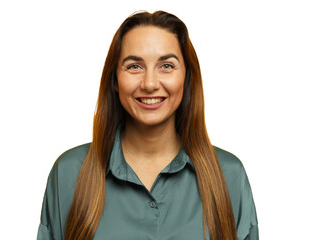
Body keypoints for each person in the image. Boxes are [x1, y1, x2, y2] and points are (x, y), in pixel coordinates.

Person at [37, 11, 258, 240]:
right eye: (134, 66)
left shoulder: (229, 176)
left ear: (187, 77)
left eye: (166, 66)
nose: (150, 84)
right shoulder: (68, 174)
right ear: (114, 79)